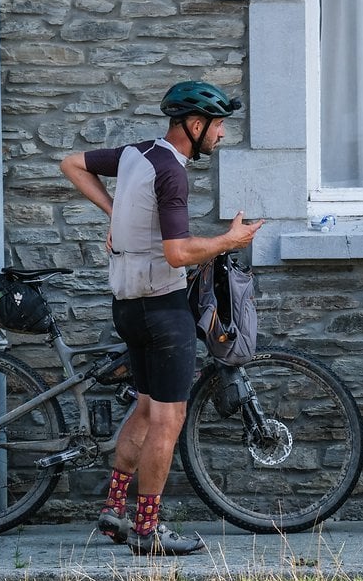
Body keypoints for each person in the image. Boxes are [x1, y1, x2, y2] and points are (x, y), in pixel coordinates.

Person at [61, 80, 263, 555]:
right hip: (162, 309)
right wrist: (228, 242)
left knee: (148, 408)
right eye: (217, 127)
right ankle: (148, 530)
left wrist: (114, 215)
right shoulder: (172, 172)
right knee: (169, 419)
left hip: (127, 306)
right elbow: (177, 253)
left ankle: (115, 512)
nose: (221, 136)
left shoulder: (136, 154)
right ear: (195, 125)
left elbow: (70, 163)